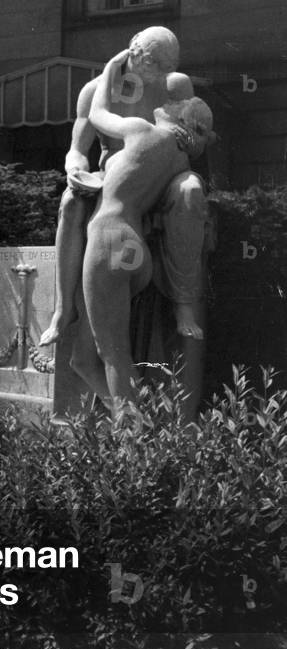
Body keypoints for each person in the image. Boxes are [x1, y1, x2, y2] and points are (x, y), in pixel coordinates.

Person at [40, 26, 208, 347]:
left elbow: (199, 143)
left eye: (167, 67)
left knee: (190, 192)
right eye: (153, 64)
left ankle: (184, 304)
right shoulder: (94, 91)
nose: (160, 74)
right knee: (70, 203)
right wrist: (76, 170)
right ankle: (63, 310)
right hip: (117, 176)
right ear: (134, 50)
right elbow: (77, 149)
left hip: (167, 175)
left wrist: (193, 141)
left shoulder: (177, 85)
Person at [70, 48, 214, 409]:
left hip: (110, 238)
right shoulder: (180, 154)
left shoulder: (139, 129)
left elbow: (99, 113)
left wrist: (107, 68)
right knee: (109, 353)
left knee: (114, 354)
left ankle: (132, 441)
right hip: (138, 253)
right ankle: (140, 420)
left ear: (174, 112)